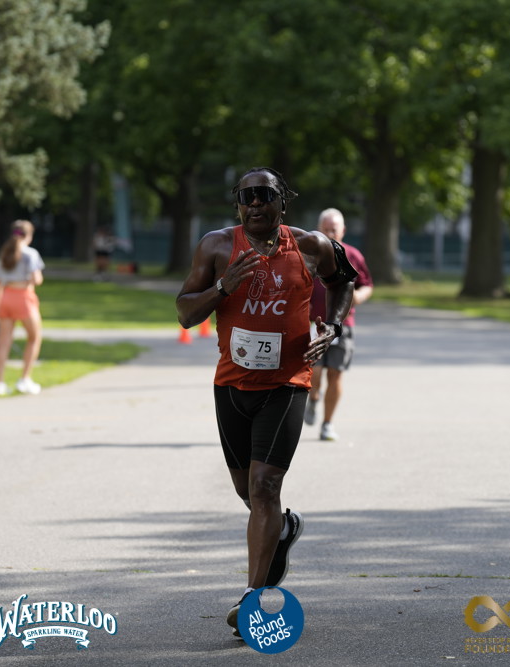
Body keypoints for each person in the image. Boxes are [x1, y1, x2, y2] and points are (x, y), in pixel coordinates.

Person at [176, 167, 357, 635]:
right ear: (238, 204)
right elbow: (184, 313)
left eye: (264, 194)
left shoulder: (312, 245)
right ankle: (284, 528)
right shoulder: (216, 246)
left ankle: (252, 599)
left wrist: (334, 326)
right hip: (232, 386)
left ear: (282, 201)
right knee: (248, 492)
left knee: (263, 487)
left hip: (287, 384)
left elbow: (344, 281)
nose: (255, 203)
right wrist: (223, 288)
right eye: (246, 196)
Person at [304, 208, 374, 441]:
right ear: (319, 229)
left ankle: (327, 424)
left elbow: (367, 285)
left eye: (334, 229)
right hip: (314, 324)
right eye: (326, 229)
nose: (330, 234)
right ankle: (314, 397)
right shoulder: (309, 254)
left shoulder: (352, 255)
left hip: (342, 324)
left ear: (343, 230)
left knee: (335, 374)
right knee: (314, 372)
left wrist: (359, 296)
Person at [0, 220, 44, 395]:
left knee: (4, 342)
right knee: (34, 337)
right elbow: (36, 279)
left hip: (6, 297)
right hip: (23, 297)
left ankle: (0, 382)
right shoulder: (30, 254)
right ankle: (25, 379)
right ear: (28, 235)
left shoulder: (5, 252)